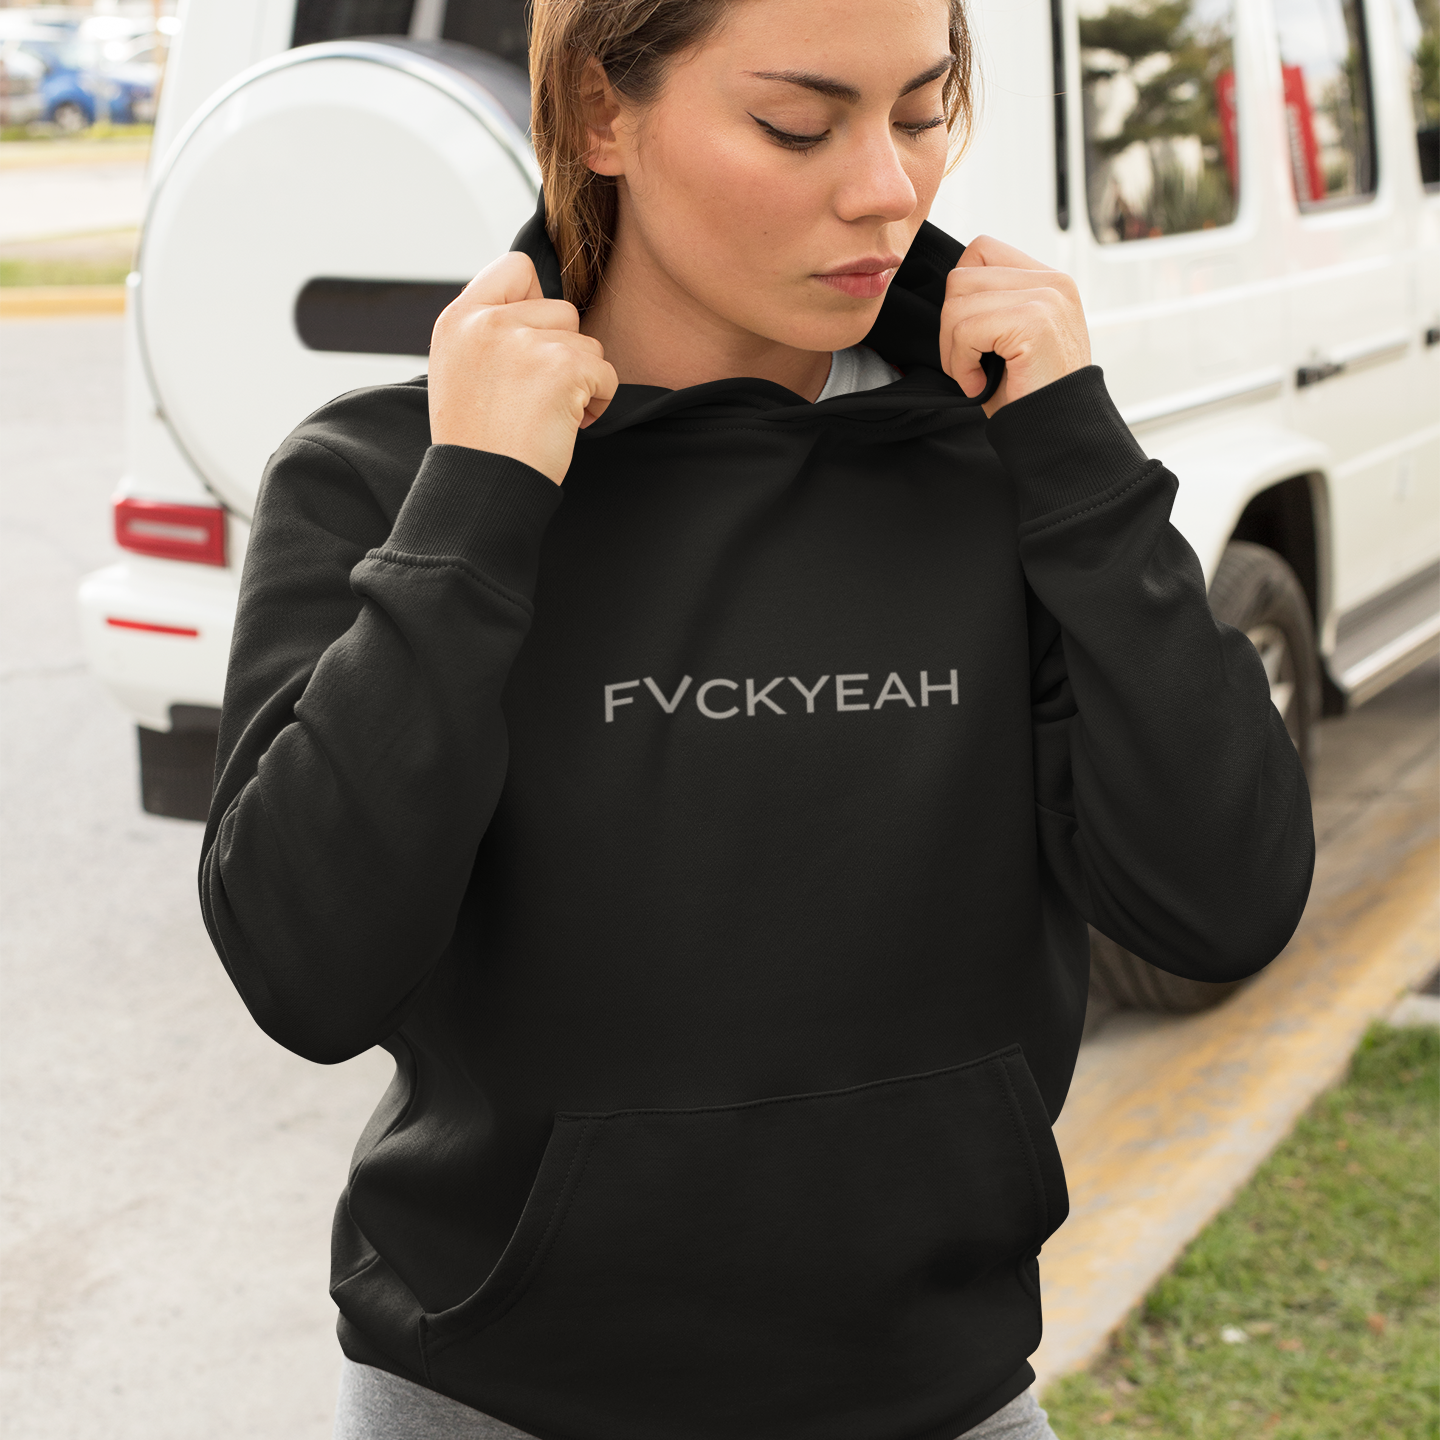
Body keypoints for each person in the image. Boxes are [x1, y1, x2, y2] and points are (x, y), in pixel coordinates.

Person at [199, 0, 1315, 1435]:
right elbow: (308, 972)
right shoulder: (390, 474)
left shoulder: (1005, 455)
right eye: (799, 125)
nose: (889, 189)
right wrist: (479, 500)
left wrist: (1078, 455)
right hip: (496, 1397)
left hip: (939, 1393)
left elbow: (1223, 904)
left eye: (922, 112)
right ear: (600, 111)